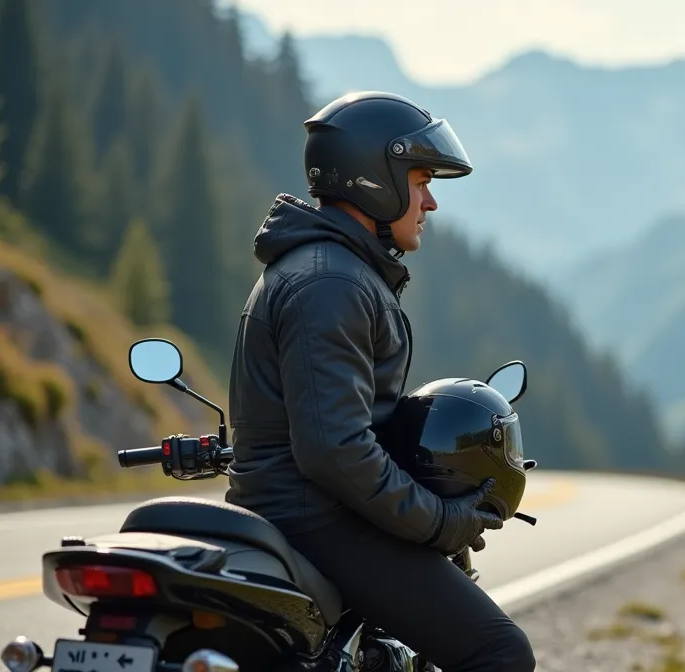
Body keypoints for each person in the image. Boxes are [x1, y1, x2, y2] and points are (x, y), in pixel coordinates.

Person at [224, 91, 536, 672]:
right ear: (376, 180)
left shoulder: (325, 271)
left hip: (298, 509)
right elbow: (333, 449)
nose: (431, 201)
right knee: (499, 651)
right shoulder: (332, 284)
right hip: (321, 521)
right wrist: (440, 522)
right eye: (420, 182)